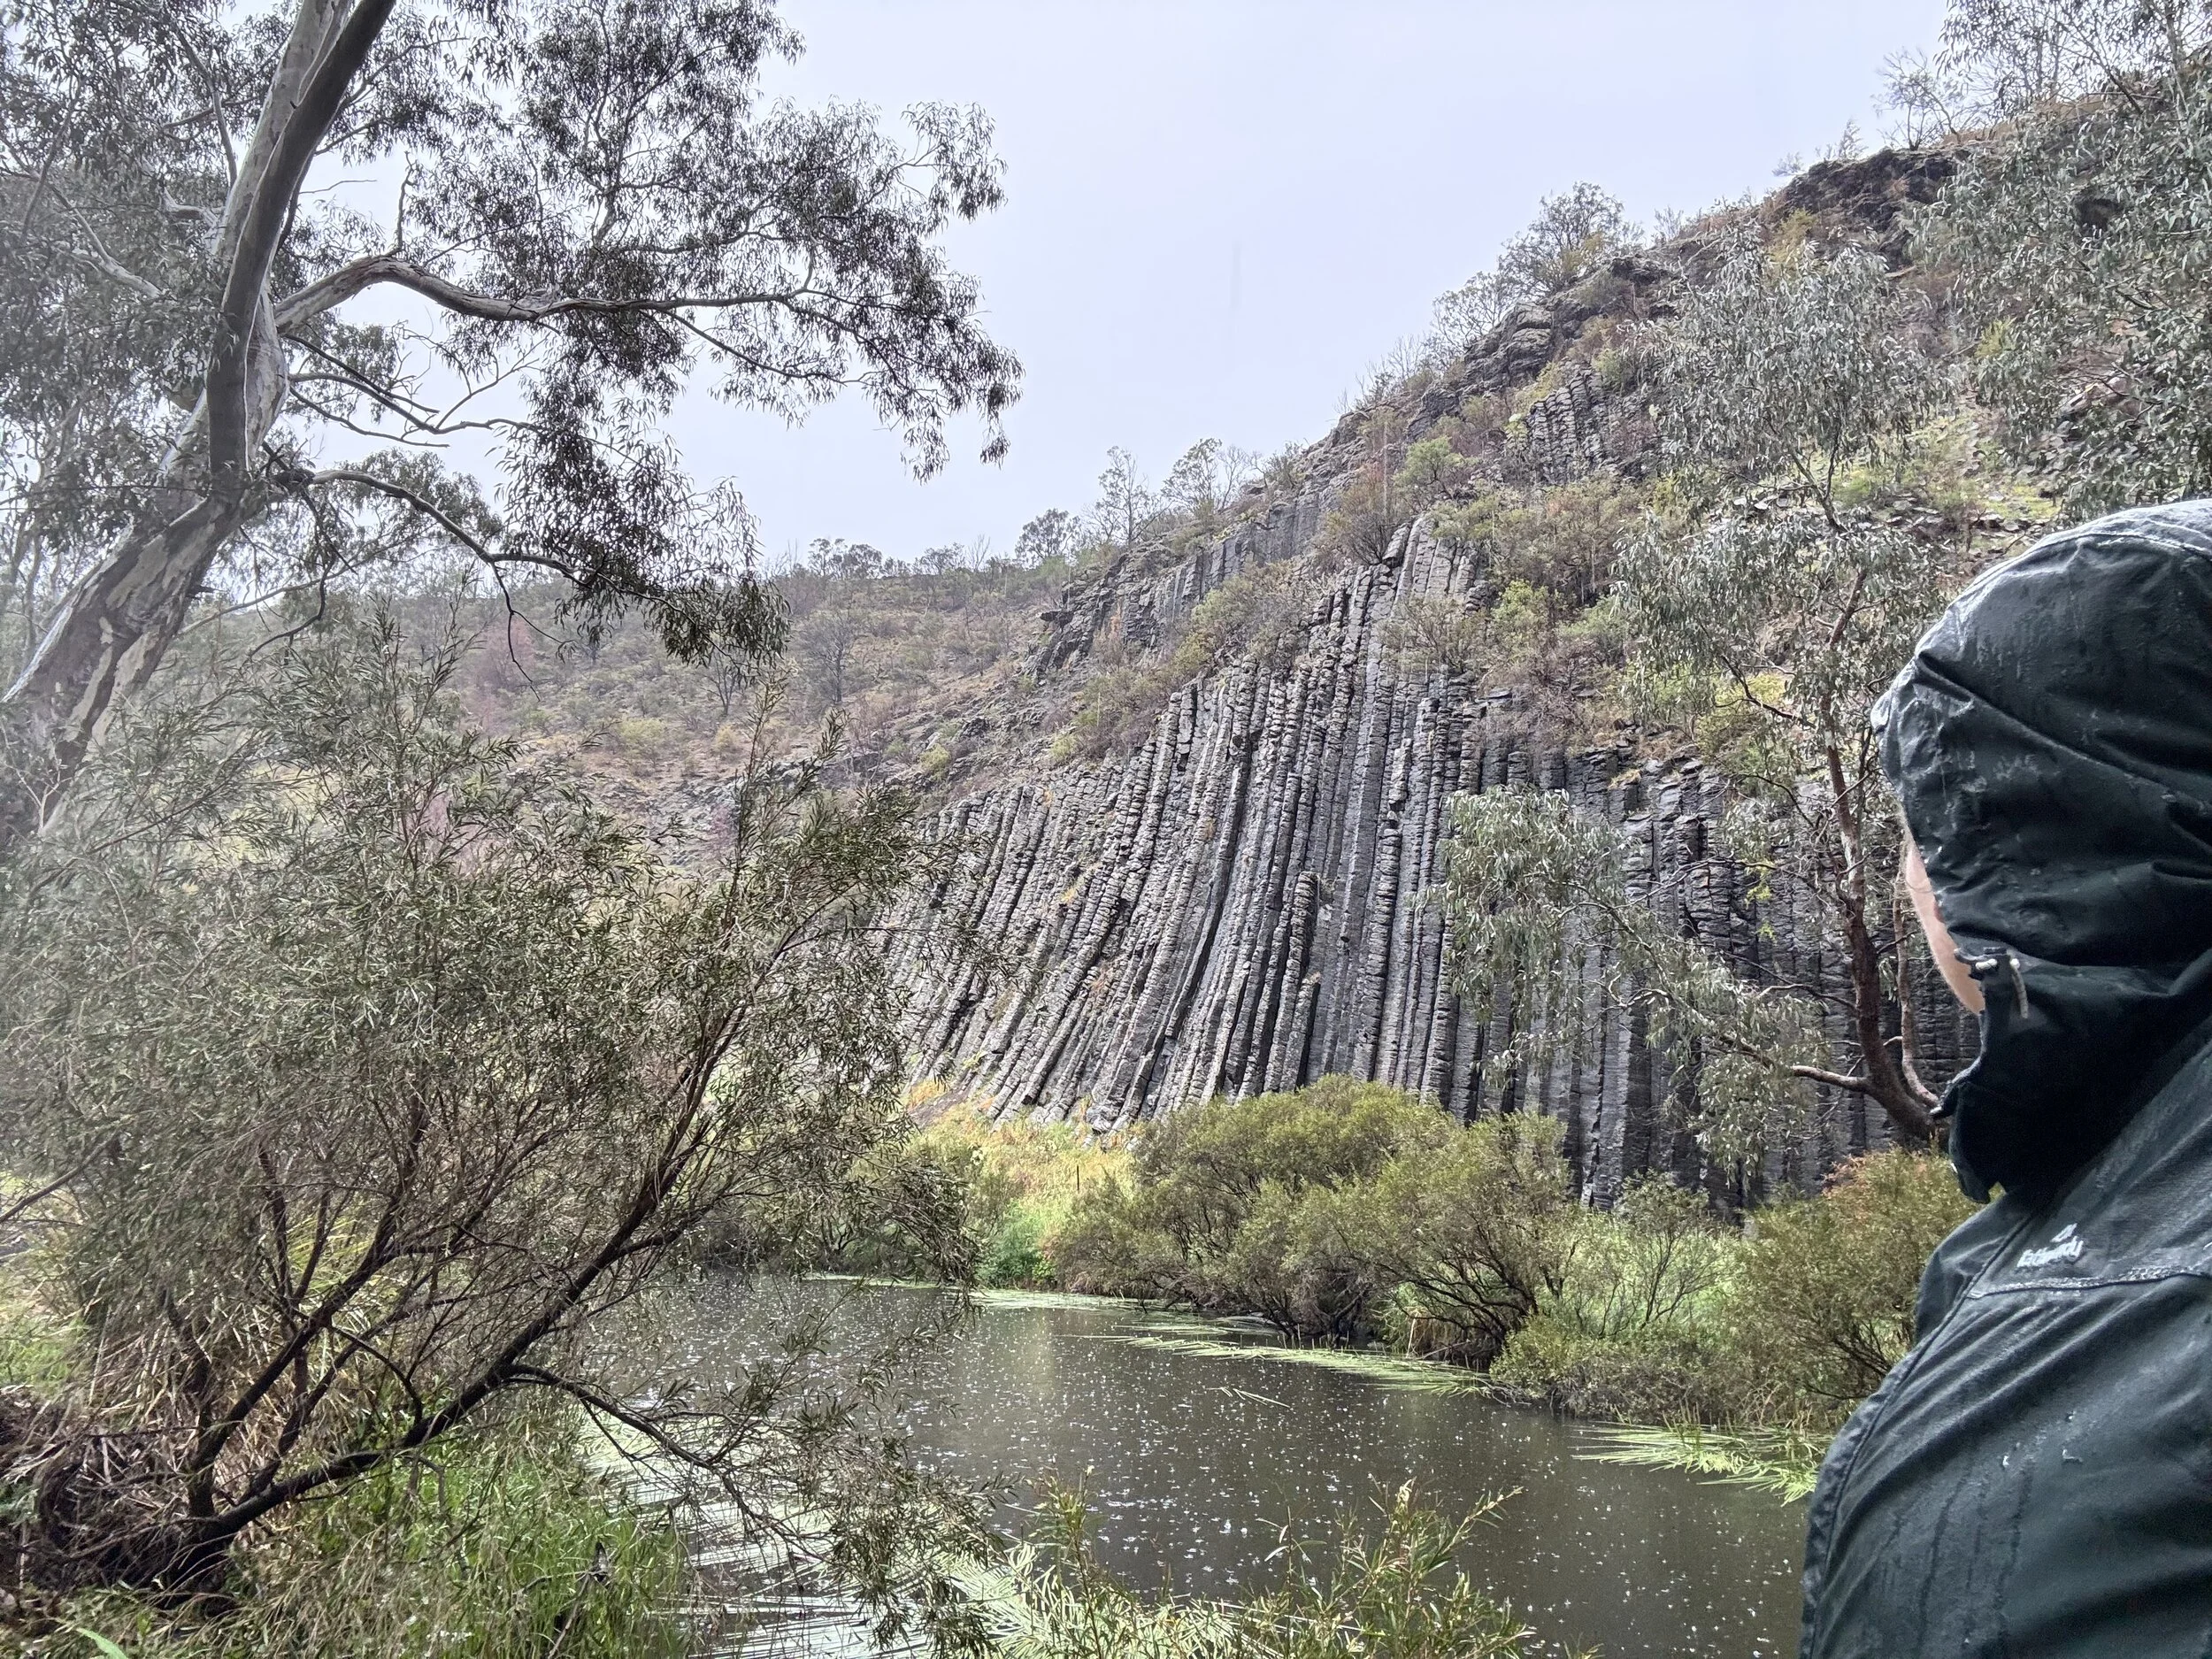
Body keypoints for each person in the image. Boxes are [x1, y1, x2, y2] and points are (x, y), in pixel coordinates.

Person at [1800, 502, 2212, 1655]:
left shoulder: (2124, 1306)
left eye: (1923, 825)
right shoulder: (2093, 1189)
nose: (1910, 874)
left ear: (2022, 830)